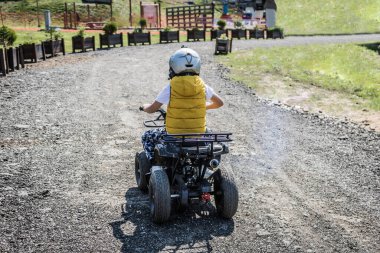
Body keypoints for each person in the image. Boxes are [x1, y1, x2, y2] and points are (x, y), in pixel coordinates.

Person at [140, 47, 224, 160]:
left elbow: (152, 109)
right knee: (210, 137)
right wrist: (203, 107)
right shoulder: (203, 86)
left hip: (174, 136)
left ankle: (153, 165)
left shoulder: (171, 86)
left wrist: (145, 107)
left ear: (173, 67)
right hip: (197, 135)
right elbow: (219, 103)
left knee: (147, 136)